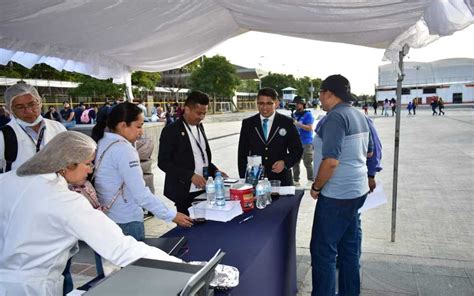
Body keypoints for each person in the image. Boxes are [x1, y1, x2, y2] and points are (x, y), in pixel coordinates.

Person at [0, 131, 182, 295]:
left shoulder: (7, 180)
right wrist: (182, 267)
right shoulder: (66, 201)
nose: (91, 169)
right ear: (67, 164)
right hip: (33, 288)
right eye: (87, 163)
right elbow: (120, 248)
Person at [91, 102, 192, 241]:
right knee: (135, 262)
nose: (141, 131)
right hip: (127, 219)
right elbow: (141, 194)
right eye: (138, 126)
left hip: (110, 216)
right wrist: (171, 215)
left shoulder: (103, 141)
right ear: (122, 125)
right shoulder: (124, 150)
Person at [310, 74, 372, 296]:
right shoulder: (359, 115)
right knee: (349, 249)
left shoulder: (335, 117)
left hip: (337, 195)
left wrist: (317, 187)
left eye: (320, 94)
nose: (319, 98)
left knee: (323, 251)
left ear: (328, 93)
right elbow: (370, 151)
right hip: (357, 190)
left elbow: (331, 161)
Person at [158, 91, 225, 215]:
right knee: (188, 230)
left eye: (204, 113)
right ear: (187, 109)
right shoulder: (171, 131)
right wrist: (190, 175)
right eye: (199, 113)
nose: (201, 117)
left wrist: (215, 170)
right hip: (184, 191)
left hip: (204, 188)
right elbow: (163, 163)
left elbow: (201, 156)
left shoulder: (200, 126)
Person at [238, 87, 303, 186]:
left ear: (276, 103)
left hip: (281, 180)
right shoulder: (248, 124)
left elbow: (297, 149)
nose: (264, 107)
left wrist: (285, 163)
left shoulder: (287, 122)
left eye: (269, 103)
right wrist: (243, 179)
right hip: (255, 180)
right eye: (261, 103)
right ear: (257, 103)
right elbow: (242, 154)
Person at [0, 83, 66, 173]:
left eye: (32, 104)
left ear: (40, 102)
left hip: (58, 185)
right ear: (10, 109)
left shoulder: (58, 127)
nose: (28, 111)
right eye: (20, 107)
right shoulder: (3, 135)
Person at [291, 96, 314, 187]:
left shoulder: (308, 115)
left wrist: (297, 123)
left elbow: (310, 128)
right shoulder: (294, 114)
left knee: (307, 162)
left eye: (298, 103)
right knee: (295, 162)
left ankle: (311, 180)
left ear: (303, 104)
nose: (296, 105)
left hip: (306, 141)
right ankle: (296, 180)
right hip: (296, 142)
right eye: (295, 103)